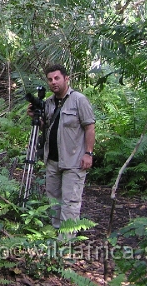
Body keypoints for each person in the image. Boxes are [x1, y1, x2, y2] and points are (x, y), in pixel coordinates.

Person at [30, 64, 95, 233]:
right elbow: (48, 127)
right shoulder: (49, 103)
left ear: (66, 78)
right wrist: (36, 117)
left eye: (57, 78)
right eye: (50, 79)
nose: (53, 82)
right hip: (52, 159)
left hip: (73, 160)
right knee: (54, 199)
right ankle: (55, 231)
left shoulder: (79, 100)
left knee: (70, 201)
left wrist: (88, 153)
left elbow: (90, 127)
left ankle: (66, 241)